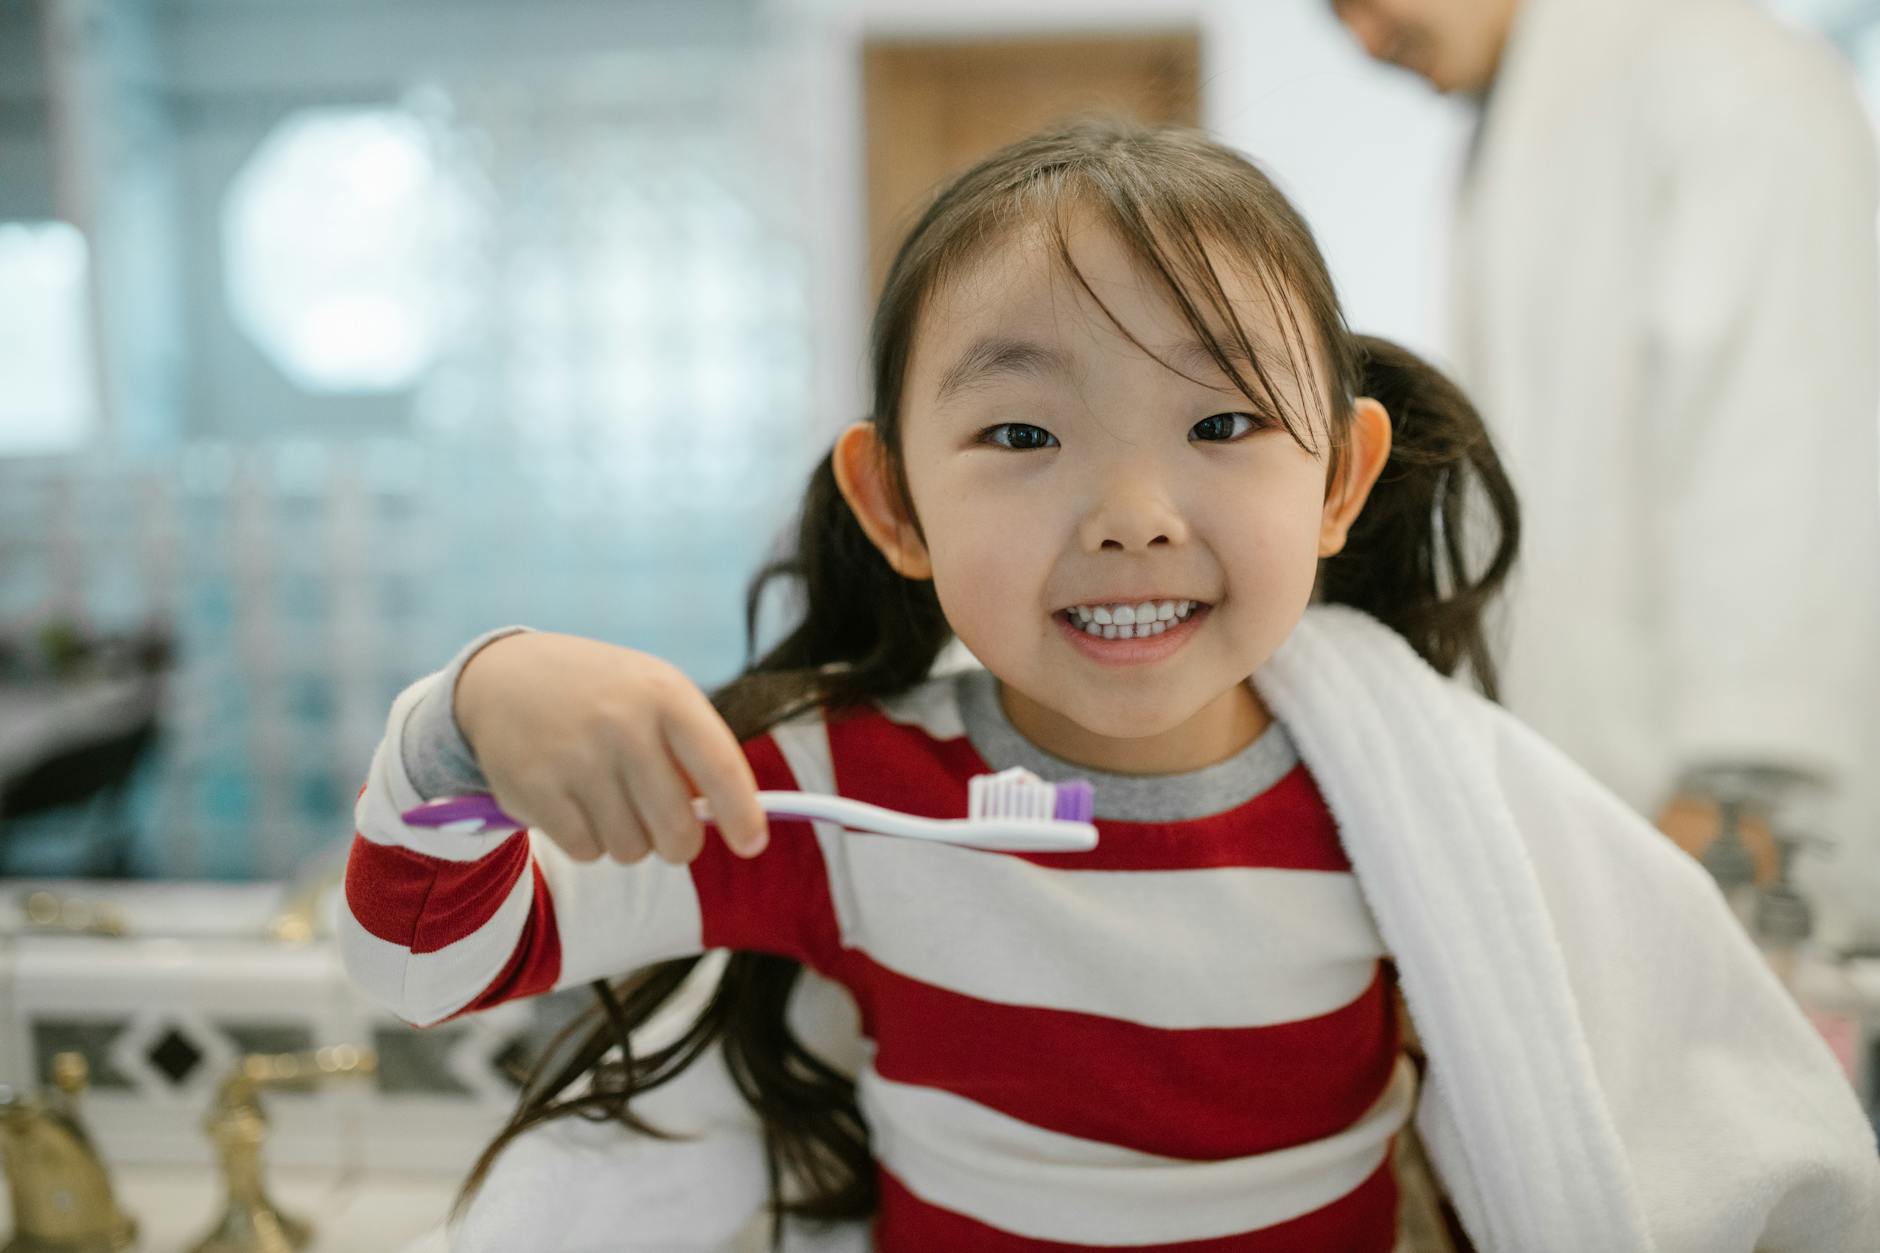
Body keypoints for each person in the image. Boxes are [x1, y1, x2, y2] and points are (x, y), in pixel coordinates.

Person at [339, 121, 1880, 1251]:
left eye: (1220, 426)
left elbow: (1639, 1092)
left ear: (1340, 479)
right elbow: (424, 966)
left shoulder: (1423, 806)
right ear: (894, 507)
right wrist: (467, 716)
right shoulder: (836, 797)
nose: (1132, 510)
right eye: (1022, 436)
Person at [1329, 0, 1880, 941]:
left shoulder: (1733, 82)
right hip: (1612, 850)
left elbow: (1794, 465)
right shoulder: (1531, 122)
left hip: (1727, 848)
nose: (1364, 39)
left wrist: (1737, 793)